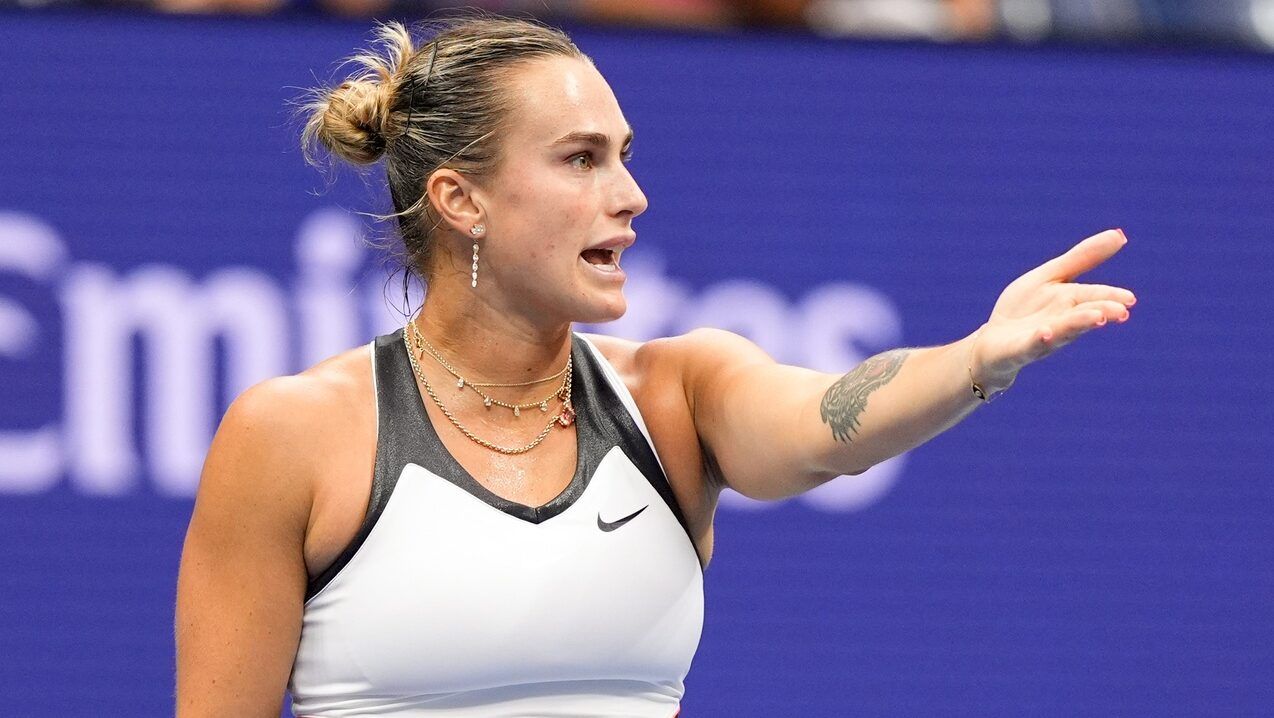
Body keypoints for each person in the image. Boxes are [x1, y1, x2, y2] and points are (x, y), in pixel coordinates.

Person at [173, 14, 1136, 718]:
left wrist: (976, 359)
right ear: (461, 199)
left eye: (624, 155)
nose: (631, 195)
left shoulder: (678, 396)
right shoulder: (292, 434)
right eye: (581, 160)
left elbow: (826, 423)